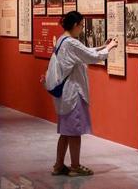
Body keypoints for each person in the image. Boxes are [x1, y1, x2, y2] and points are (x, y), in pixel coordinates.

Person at [47, 11, 118, 177]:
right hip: (73, 93)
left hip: (65, 95)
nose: (82, 28)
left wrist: (102, 46)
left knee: (65, 132)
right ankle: (75, 166)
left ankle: (58, 165)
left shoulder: (62, 40)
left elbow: (84, 52)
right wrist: (109, 47)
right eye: (81, 25)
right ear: (74, 25)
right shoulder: (71, 43)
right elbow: (91, 57)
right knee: (74, 132)